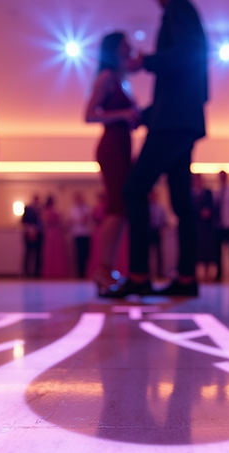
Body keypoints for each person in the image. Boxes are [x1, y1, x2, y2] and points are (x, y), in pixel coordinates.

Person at [107, 0, 209, 298]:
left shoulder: (178, 9)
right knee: (181, 202)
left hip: (173, 122)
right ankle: (186, 278)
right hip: (181, 119)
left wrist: (146, 62)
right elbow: (179, 82)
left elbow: (187, 55)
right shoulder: (181, 11)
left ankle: (139, 275)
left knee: (134, 190)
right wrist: (146, 115)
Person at [84, 32, 139, 295]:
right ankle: (103, 270)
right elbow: (88, 115)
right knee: (116, 207)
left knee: (121, 208)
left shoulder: (123, 80)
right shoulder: (106, 77)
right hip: (111, 146)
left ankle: (107, 269)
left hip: (124, 145)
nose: (130, 48)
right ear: (115, 49)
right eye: (125, 44)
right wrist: (123, 114)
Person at [192, 174, 218, 280]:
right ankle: (196, 273)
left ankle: (208, 273)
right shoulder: (191, 193)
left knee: (208, 250)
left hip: (207, 227)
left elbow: (213, 207)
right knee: (197, 250)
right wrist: (199, 213)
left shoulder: (208, 193)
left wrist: (208, 212)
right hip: (196, 226)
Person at [40, 195, 69, 278]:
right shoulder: (48, 211)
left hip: (54, 232)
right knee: (53, 251)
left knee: (55, 252)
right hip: (54, 233)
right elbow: (47, 221)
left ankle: (56, 271)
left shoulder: (47, 211)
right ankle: (54, 272)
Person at [67, 191, 92, 279]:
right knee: (79, 254)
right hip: (77, 233)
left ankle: (86, 271)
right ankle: (80, 273)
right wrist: (80, 220)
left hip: (87, 233)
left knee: (86, 253)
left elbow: (88, 219)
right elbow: (70, 221)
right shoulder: (72, 208)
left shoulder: (87, 207)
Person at [21, 194, 43, 278]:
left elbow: (43, 222)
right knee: (28, 253)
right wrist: (30, 229)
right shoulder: (28, 208)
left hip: (39, 234)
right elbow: (23, 221)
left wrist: (37, 229)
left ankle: (37, 273)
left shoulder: (42, 209)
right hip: (29, 234)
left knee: (38, 254)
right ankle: (26, 272)